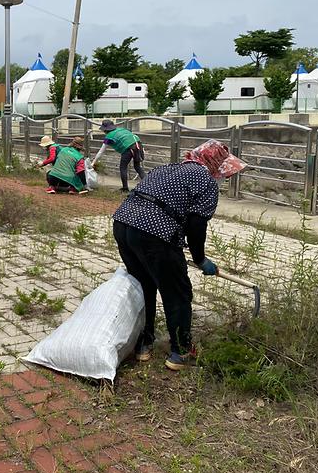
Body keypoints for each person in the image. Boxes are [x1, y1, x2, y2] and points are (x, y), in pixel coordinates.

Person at [112, 139, 246, 370]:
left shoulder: (167, 168)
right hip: (154, 231)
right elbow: (196, 226)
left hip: (123, 224)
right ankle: (181, 352)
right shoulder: (206, 181)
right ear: (215, 165)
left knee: (144, 285)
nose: (224, 177)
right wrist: (200, 259)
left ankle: (143, 344)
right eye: (224, 172)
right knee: (177, 292)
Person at [91, 119, 145, 192]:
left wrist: (93, 162)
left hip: (129, 148)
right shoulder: (121, 129)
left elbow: (101, 151)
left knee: (123, 168)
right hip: (138, 145)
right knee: (137, 167)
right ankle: (148, 185)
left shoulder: (109, 136)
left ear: (105, 130)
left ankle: (125, 188)